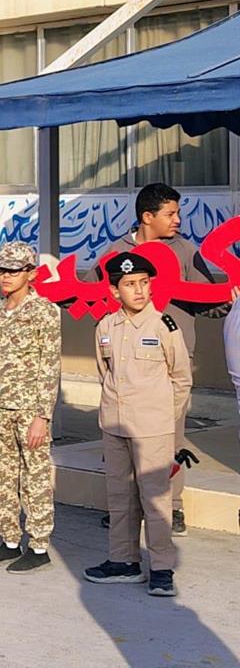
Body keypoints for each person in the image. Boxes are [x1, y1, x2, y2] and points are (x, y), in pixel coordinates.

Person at [97, 183, 218, 536]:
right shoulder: (116, 252)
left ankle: (171, 506)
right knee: (124, 440)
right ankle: (126, 509)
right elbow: (95, 296)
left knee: (169, 435)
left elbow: (208, 299)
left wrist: (226, 299)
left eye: (178, 213)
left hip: (168, 362)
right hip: (126, 365)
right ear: (147, 217)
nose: (178, 220)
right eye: (171, 214)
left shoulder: (186, 251)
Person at [84, 252, 191, 598]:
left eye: (144, 283)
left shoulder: (164, 326)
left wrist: (164, 418)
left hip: (152, 428)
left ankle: (161, 568)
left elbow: (181, 379)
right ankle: (124, 561)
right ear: (114, 291)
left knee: (155, 499)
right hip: (115, 425)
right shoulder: (105, 327)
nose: (140, 290)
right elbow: (105, 373)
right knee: (120, 496)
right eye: (130, 284)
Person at [0, 242, 62, 574]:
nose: (6, 276)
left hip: (29, 409)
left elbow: (50, 366)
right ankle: (9, 540)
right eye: (2, 270)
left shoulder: (44, 311)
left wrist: (42, 416)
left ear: (31, 274)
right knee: (5, 477)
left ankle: (38, 546)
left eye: (14, 270)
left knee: (35, 477)